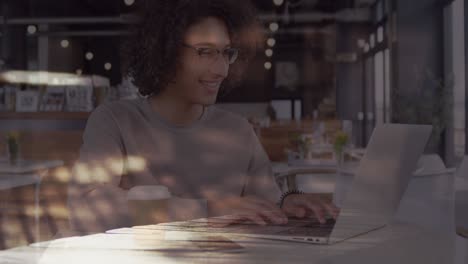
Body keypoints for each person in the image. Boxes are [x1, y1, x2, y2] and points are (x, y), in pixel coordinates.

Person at [68, 0, 338, 234]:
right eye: (205, 51)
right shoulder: (115, 120)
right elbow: (87, 205)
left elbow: (267, 199)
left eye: (225, 53)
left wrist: (288, 203)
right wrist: (207, 208)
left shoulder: (238, 130)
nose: (221, 69)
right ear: (165, 52)